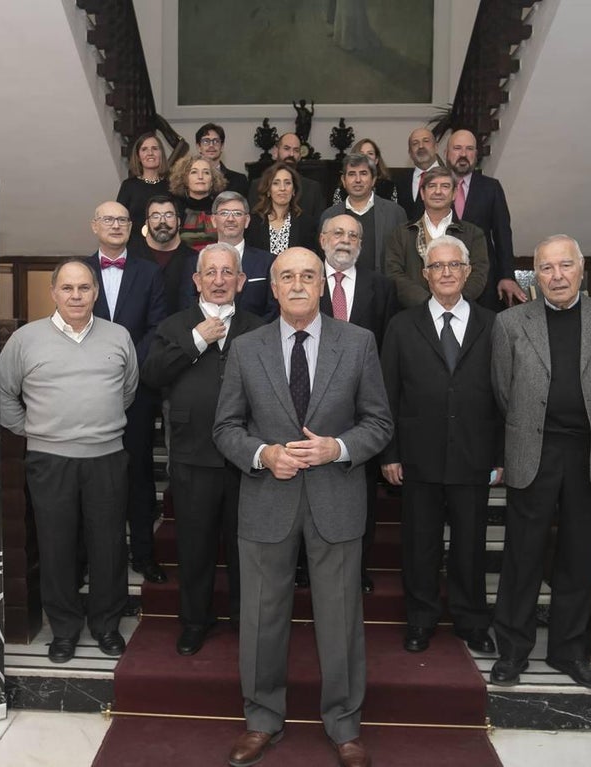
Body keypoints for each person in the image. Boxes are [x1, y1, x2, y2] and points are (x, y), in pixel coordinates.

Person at [214, 248, 392, 767]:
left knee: (339, 617)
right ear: (272, 287)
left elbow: (379, 422)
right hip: (266, 501)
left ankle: (344, 726)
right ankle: (261, 719)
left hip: (336, 498)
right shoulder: (245, 349)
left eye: (307, 276)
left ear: (322, 285)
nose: (296, 284)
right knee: (262, 617)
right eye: (286, 276)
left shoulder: (359, 343)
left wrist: (336, 448)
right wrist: (263, 454)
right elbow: (225, 427)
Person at [489, 235, 591, 691]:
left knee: (578, 555)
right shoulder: (511, 323)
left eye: (564, 266)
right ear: (535, 274)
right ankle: (512, 651)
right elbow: (503, 391)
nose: (556, 276)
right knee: (522, 555)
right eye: (546, 268)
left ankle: (570, 653)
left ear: (581, 269)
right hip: (533, 451)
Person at [0, 259, 139, 663]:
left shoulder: (118, 336)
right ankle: (63, 630)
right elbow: (5, 395)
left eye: (83, 288)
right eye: (67, 288)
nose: (76, 296)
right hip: (49, 461)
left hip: (107, 458)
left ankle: (107, 626)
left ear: (95, 292)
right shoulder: (25, 340)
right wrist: (38, 430)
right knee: (56, 548)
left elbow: (127, 391)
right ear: (53, 292)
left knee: (108, 546)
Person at [141, 243, 266, 656]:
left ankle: (244, 619)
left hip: (246, 459)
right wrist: (197, 340)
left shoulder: (259, 326)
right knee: (194, 546)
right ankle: (194, 621)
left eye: (227, 273)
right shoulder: (175, 326)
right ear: (196, 280)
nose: (218, 280)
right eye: (209, 273)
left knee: (244, 546)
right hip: (193, 455)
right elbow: (153, 373)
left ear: (241, 281)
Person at [380, 235, 501, 655]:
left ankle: (471, 621)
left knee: (471, 544)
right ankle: (421, 619)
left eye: (454, 266)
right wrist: (390, 453)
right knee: (420, 544)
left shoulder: (494, 324)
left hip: (474, 453)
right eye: (437, 266)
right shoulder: (401, 325)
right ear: (425, 274)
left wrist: (499, 455)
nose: (446, 273)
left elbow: (506, 393)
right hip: (418, 456)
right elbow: (388, 394)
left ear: (467, 273)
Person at [84, 201, 169, 585]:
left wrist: (125, 364)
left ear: (133, 227)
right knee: (92, 477)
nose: (116, 225)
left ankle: (144, 555)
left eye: (122, 219)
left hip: (135, 389)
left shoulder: (149, 272)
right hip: (85, 390)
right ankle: (93, 558)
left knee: (138, 475)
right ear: (94, 226)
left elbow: (157, 327)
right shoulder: (79, 271)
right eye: (108, 219)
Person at [318, 213, 397, 594]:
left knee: (360, 491)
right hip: (308, 402)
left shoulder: (380, 286)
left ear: (362, 244)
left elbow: (385, 346)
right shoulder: (303, 278)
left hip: (359, 407)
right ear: (322, 239)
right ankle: (305, 565)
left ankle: (357, 567)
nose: (345, 240)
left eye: (353, 234)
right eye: (338, 232)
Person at [384, 166, 489, 307]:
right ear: (422, 193)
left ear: (454, 193)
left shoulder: (473, 234)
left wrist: (453, 303)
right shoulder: (401, 234)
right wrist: (427, 303)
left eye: (445, 186)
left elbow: (478, 274)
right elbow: (394, 274)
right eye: (432, 186)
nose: (438, 191)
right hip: (412, 315)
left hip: (460, 313)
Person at [445, 129, 526, 310]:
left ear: (476, 154)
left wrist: (507, 276)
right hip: (443, 278)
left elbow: (502, 234)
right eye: (457, 148)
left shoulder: (491, 188)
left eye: (469, 149)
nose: (463, 154)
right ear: (446, 153)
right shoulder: (434, 187)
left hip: (485, 282)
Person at [182, 191, 278, 320]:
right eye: (224, 213)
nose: (231, 219)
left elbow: (274, 309)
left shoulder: (268, 261)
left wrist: (254, 336)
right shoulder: (194, 262)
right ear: (214, 220)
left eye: (237, 213)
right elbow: (187, 307)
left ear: (247, 220)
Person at [319, 152, 407, 274]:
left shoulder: (395, 213)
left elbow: (404, 258)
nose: (358, 180)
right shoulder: (330, 215)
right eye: (352, 174)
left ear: (373, 180)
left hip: (384, 289)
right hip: (341, 289)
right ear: (343, 181)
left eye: (363, 173)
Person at [127, 195, 198, 316]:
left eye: (169, 215)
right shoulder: (130, 256)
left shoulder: (195, 259)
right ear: (147, 222)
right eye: (155, 216)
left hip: (181, 332)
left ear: (179, 221)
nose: (162, 221)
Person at [250, 132, 326, 223]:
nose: (291, 154)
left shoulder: (313, 188)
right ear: (275, 152)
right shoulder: (258, 186)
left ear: (300, 156)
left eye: (296, 150)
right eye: (286, 148)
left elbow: (319, 226)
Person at [245, 163, 319, 256]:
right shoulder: (253, 222)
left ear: (293, 190)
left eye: (287, 183)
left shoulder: (306, 223)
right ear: (268, 190)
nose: (282, 188)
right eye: (276, 183)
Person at [170, 155, 227, 252]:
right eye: (194, 172)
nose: (200, 177)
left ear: (212, 181)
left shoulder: (222, 209)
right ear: (185, 180)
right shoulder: (174, 209)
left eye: (206, 172)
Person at [117, 132, 170, 232]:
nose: (150, 153)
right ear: (138, 156)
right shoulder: (128, 186)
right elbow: (120, 219)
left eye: (155, 148)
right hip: (134, 244)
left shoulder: (172, 186)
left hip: (165, 243)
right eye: (144, 149)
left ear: (161, 154)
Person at [331, 138, 398, 206]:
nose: (365, 157)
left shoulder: (388, 187)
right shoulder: (342, 189)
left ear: (376, 160)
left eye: (370, 153)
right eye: (361, 153)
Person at [394, 127, 441, 221]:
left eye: (426, 141)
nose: (421, 146)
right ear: (410, 153)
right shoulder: (399, 181)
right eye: (415, 143)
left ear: (436, 147)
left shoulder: (449, 178)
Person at [196, 123, 250, 197]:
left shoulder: (239, 181)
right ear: (199, 147)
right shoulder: (188, 180)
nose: (211, 145)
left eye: (216, 141)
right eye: (206, 141)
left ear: (222, 147)